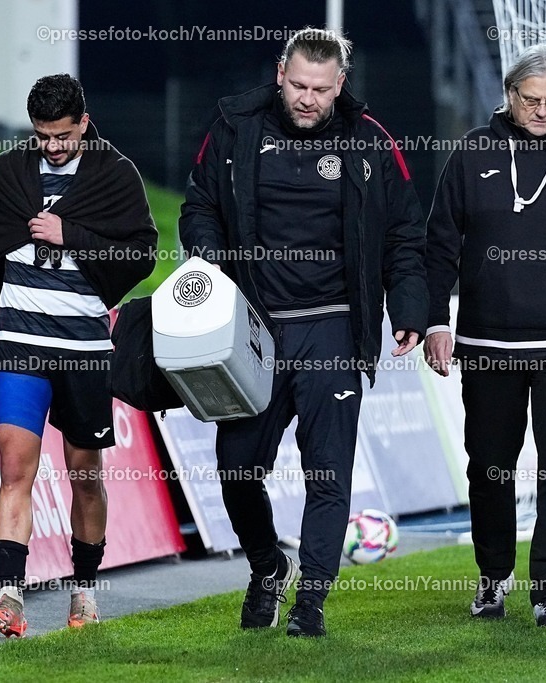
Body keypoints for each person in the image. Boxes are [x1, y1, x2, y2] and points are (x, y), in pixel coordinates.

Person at [179, 28, 428, 637]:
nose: (307, 99)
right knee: (237, 469)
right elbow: (198, 207)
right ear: (279, 73)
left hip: (333, 330)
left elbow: (404, 235)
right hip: (253, 334)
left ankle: (310, 603)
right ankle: (268, 567)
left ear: (339, 85)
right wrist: (208, 255)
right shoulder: (235, 128)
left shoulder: (370, 142)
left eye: (320, 88)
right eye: (297, 85)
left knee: (328, 472)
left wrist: (413, 311)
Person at [0, 74, 157, 636]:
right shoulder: (11, 170)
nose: (52, 145)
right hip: (20, 339)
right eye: (42, 135)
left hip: (82, 345)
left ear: (83, 121)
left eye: (62, 134)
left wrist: (69, 233)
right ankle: (9, 598)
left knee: (84, 474)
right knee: (14, 469)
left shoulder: (115, 173)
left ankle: (83, 592)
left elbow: (142, 252)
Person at [424, 43, 546, 628]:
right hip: (487, 345)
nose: (542, 111)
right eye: (532, 100)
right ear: (510, 96)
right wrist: (438, 320)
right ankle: (493, 579)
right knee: (488, 466)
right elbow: (439, 247)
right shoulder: (470, 155)